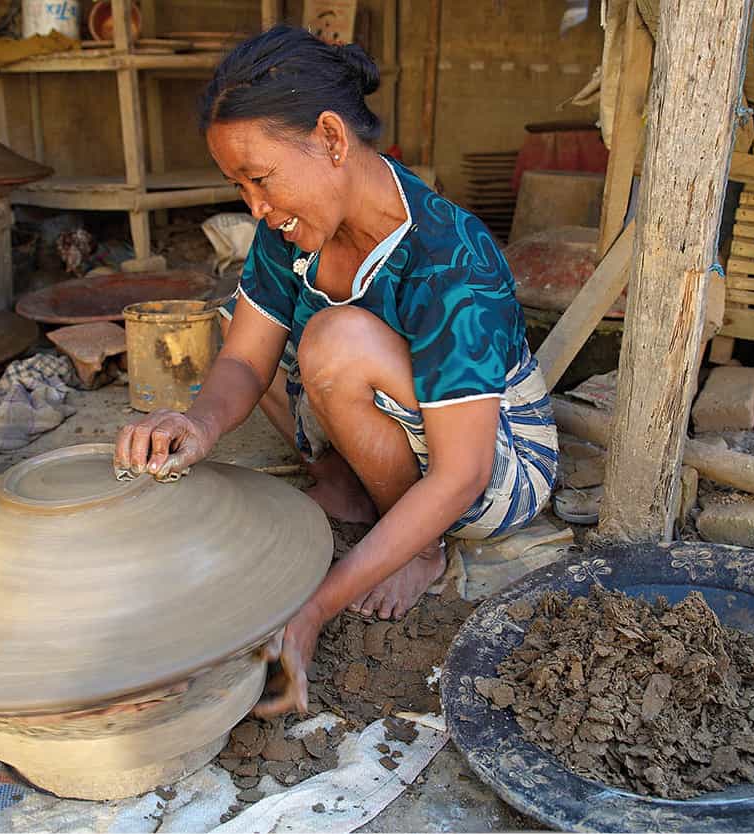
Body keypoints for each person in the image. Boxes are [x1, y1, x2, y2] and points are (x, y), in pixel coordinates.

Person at [114, 25, 557, 716]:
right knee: (243, 325)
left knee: (334, 341)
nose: (255, 207)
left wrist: (315, 607)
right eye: (240, 186)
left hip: (495, 464)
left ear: (331, 138)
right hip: (413, 420)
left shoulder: (451, 257)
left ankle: (418, 548)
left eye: (259, 179)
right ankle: (357, 485)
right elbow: (245, 360)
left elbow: (462, 472)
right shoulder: (286, 232)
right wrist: (196, 423)